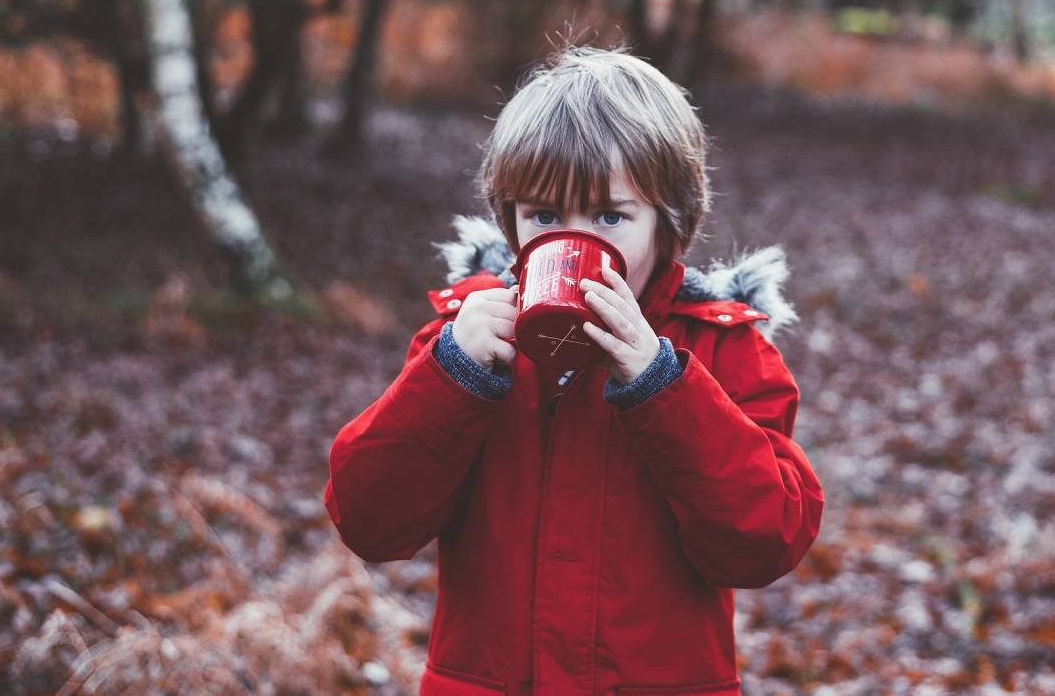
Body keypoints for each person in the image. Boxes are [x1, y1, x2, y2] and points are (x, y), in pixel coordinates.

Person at [323, 45, 825, 695]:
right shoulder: (467, 339)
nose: (574, 238)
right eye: (544, 216)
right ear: (509, 220)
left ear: (668, 223)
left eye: (611, 216)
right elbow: (369, 519)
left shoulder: (720, 349)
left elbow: (764, 540)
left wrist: (660, 384)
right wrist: (452, 374)